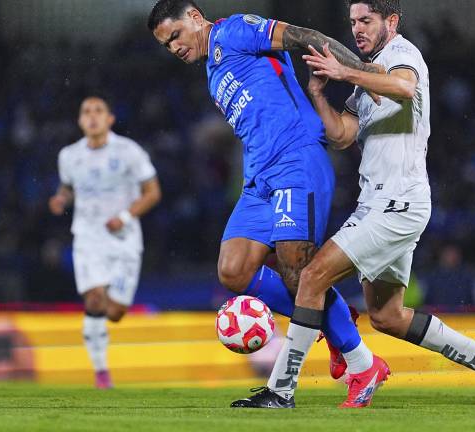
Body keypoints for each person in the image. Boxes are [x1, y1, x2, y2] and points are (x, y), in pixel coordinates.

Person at [252, 0, 475, 408]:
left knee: (311, 277)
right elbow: (343, 134)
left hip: (396, 203)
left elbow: (404, 87)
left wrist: (346, 72)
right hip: (382, 202)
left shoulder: (402, 55)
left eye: (366, 20)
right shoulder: (368, 74)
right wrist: (317, 93)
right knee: (386, 315)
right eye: (352, 22)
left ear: (391, 21)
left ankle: (280, 390)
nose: (357, 29)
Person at [146, 0, 385, 408]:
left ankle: (361, 364)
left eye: (174, 37)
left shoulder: (236, 30)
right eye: (166, 46)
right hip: (258, 182)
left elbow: (305, 37)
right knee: (234, 270)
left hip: (296, 163)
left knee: (298, 275)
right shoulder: (213, 71)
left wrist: (365, 73)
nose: (174, 48)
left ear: (194, 18)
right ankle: (333, 318)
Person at [49, 97, 162, 389]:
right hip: (88, 236)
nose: (92, 116)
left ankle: (102, 352)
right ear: (80, 121)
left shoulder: (128, 151)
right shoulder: (69, 156)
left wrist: (124, 216)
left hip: (123, 238)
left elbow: (152, 192)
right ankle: (100, 372)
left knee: (115, 312)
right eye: (86, 111)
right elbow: (68, 186)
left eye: (98, 111)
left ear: (110, 119)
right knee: (95, 299)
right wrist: (62, 198)